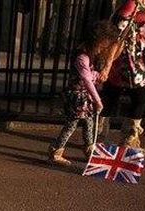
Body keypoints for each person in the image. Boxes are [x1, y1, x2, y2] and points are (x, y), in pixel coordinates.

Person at [48, 20, 120, 166]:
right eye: (103, 44)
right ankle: (56, 151)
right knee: (71, 124)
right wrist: (97, 100)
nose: (103, 48)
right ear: (98, 40)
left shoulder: (88, 53)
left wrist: (95, 75)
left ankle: (89, 149)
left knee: (89, 122)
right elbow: (86, 80)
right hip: (77, 95)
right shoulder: (82, 56)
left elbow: (88, 76)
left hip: (84, 95)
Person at [100, 0, 145, 152]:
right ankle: (128, 141)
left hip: (129, 60)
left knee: (110, 96)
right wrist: (107, 65)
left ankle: (97, 138)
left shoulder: (137, 6)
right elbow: (117, 38)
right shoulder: (129, 7)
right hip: (129, 62)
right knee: (140, 98)